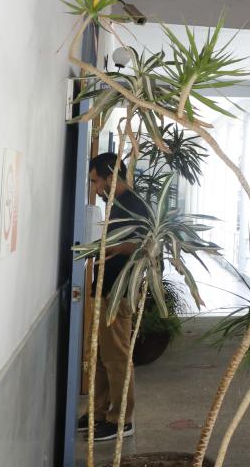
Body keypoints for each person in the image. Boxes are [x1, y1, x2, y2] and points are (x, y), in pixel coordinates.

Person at [81, 152, 151, 442]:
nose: (95, 188)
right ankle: (98, 412)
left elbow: (145, 246)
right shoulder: (115, 205)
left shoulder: (134, 205)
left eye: (96, 181)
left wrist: (112, 248)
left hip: (120, 291)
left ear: (111, 176)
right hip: (104, 288)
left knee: (117, 357)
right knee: (98, 355)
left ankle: (121, 419)